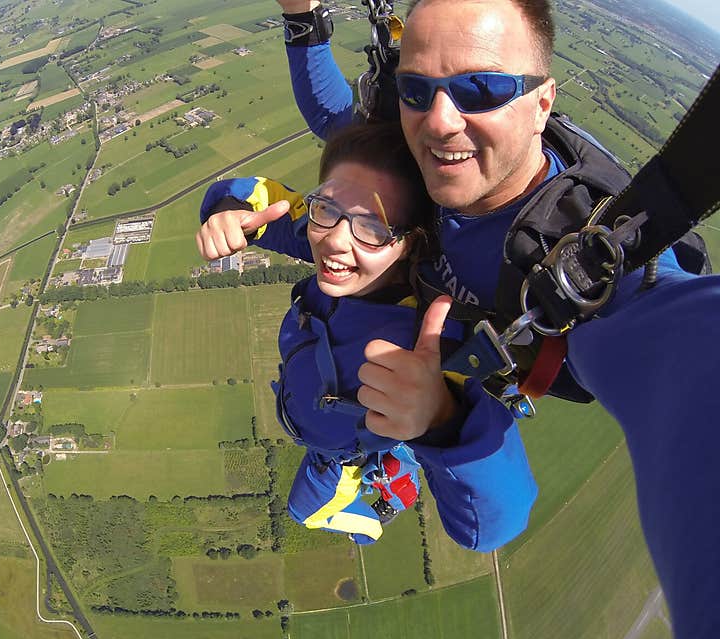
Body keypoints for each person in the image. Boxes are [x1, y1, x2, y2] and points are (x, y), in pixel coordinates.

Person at [271, 0, 720, 639]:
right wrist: (302, 21)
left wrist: (444, 420)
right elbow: (336, 122)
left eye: (482, 89)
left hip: (443, 406)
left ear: (542, 103)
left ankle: (381, 465)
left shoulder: (592, 269)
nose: (441, 119)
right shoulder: (426, 158)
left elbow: (692, 364)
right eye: (415, 89)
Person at [197, 121, 538, 548]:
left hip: (340, 456)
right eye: (325, 209)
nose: (336, 241)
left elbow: (492, 526)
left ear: (408, 243)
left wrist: (442, 419)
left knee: (306, 512)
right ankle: (398, 457)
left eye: (373, 228)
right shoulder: (337, 245)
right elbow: (263, 200)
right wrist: (226, 209)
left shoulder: (429, 344)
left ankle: (377, 513)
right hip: (323, 420)